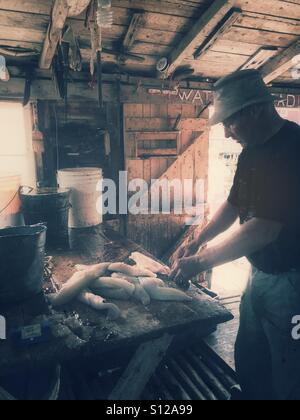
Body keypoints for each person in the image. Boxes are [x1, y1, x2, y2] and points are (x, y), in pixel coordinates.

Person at [171, 69, 300, 400]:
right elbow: (233, 205)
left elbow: (264, 228)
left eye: (230, 122)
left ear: (256, 110)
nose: (227, 133)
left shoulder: (292, 150)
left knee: (289, 365)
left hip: (292, 281)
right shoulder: (251, 150)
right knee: (250, 350)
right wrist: (197, 238)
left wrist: (201, 260)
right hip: (259, 273)